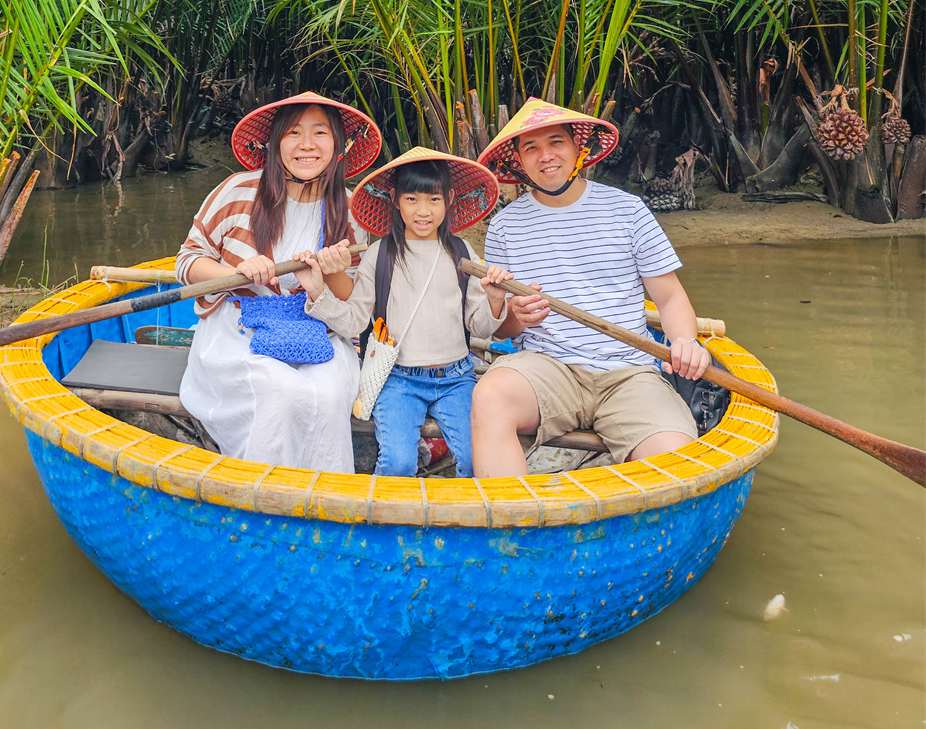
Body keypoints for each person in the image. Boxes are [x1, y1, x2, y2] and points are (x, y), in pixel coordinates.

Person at [470, 98, 711, 478]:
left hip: (629, 372)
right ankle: (509, 520)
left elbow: (670, 296)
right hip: (548, 368)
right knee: (489, 395)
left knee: (675, 460)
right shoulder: (504, 228)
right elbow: (507, 330)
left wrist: (684, 342)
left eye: (556, 143)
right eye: (531, 148)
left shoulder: (627, 210)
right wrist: (514, 315)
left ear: (578, 148)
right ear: (518, 160)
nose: (545, 156)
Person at [174, 91, 381, 470]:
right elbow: (187, 262)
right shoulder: (238, 190)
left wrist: (330, 275)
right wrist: (236, 273)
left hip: (317, 330)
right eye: (293, 134)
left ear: (338, 145)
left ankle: (324, 498)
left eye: (320, 133)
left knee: (331, 392)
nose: (306, 146)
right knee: (279, 390)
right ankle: (261, 492)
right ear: (274, 143)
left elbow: (351, 310)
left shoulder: (349, 210)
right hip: (238, 328)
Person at [301, 148, 510, 479]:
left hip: (457, 378)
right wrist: (318, 291)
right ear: (396, 201)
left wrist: (496, 299)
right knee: (397, 464)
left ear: (450, 199)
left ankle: (457, 518)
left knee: (476, 462)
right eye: (412, 199)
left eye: (434, 200)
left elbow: (480, 328)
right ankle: (393, 519)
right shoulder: (378, 255)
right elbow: (354, 321)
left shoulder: (463, 253)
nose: (423, 211)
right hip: (397, 378)